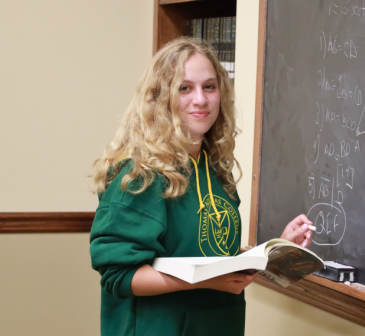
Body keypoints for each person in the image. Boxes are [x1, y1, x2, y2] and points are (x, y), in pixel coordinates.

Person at [89, 37, 314, 336]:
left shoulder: (215, 171)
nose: (201, 99)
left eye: (209, 86)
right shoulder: (139, 176)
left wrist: (272, 252)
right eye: (185, 88)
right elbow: (118, 276)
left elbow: (211, 256)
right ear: (160, 97)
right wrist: (206, 280)